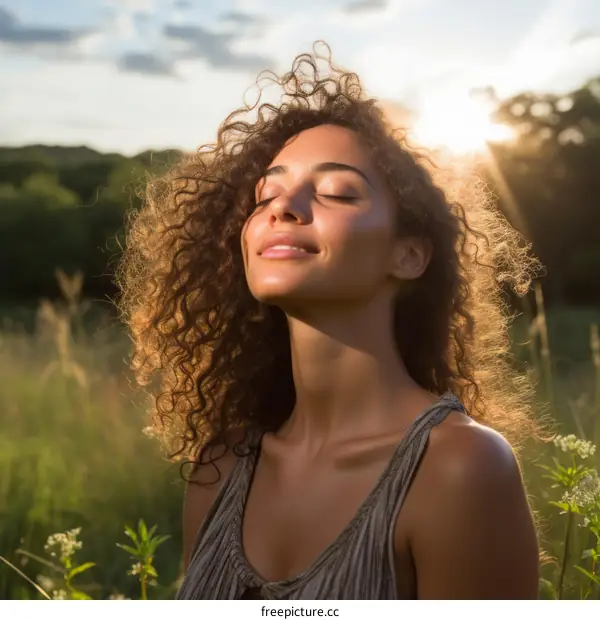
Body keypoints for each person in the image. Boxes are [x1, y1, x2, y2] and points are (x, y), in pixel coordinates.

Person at [118, 45, 540, 599]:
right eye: (266, 192)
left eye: (338, 191)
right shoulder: (219, 468)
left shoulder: (459, 469)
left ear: (409, 255)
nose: (281, 206)